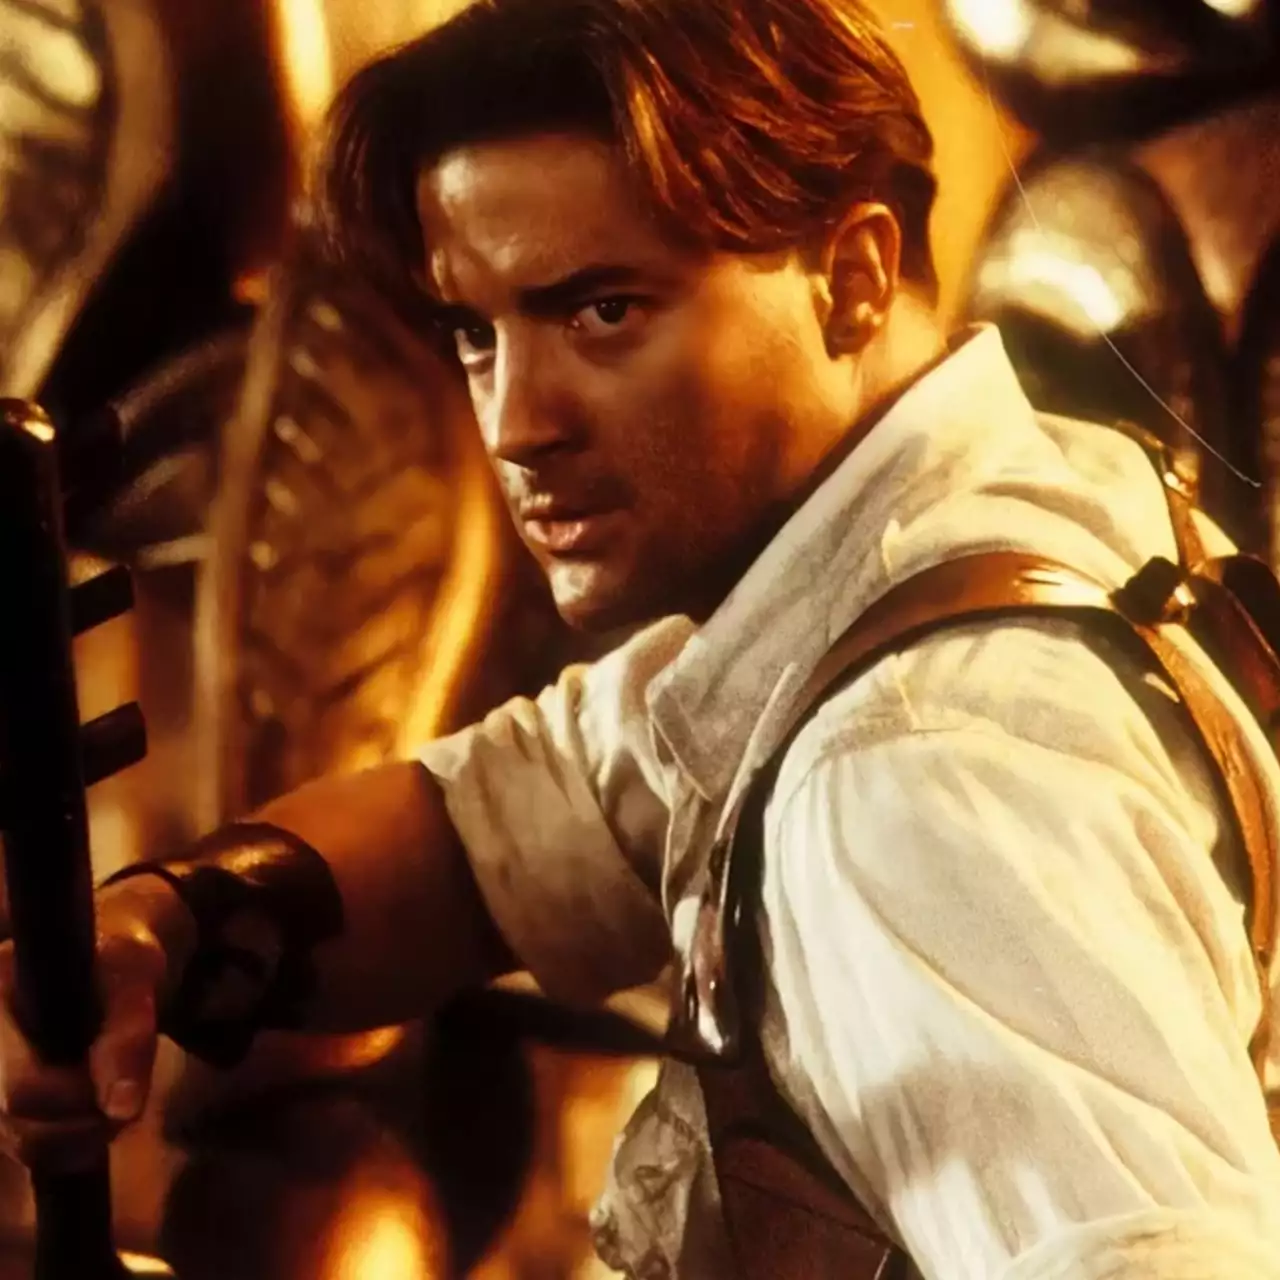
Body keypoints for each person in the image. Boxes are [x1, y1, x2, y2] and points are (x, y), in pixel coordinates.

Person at [2, 0, 1279, 1276]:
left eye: (599, 311)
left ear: (850, 278)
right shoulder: (975, 525)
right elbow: (503, 824)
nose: (515, 423)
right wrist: (163, 928)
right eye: (475, 333)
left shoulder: (910, 767)